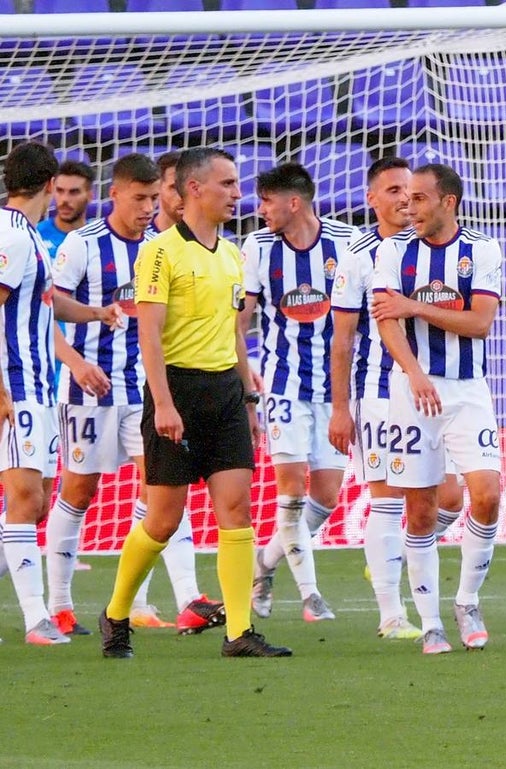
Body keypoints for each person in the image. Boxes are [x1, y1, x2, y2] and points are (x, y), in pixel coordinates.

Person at [98, 147, 291, 659]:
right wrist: (162, 404)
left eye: (236, 183)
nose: (237, 192)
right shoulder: (160, 252)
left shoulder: (232, 256)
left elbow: (234, 335)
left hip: (225, 394)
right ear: (194, 191)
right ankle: (116, 614)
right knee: (162, 519)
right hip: (177, 393)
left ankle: (238, 633)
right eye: (227, 183)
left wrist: (248, 399)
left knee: (237, 510)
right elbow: (150, 335)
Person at [47, 152, 225, 637]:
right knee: (79, 491)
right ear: (115, 194)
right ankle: (60, 604)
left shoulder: (161, 247)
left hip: (147, 392)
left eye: (153, 198)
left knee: (166, 484)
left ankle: (188, 597)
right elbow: (49, 316)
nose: (148, 207)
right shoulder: (82, 245)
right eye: (140, 197)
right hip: (90, 391)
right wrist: (77, 362)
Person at [329, 156, 463, 640]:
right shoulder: (359, 256)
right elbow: (342, 339)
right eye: (392, 191)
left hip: (433, 391)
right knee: (387, 497)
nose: (404, 199)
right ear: (372, 199)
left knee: (449, 497)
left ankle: (395, 557)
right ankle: (391, 612)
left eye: (409, 191)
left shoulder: (429, 251)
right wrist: (340, 407)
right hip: (379, 393)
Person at [371, 163, 503, 655]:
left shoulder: (482, 249)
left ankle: (467, 600)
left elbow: (481, 323)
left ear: (448, 202)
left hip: (468, 390)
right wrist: (415, 372)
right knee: (421, 508)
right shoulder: (392, 250)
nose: (409, 207)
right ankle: (431, 623)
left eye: (420, 199)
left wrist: (417, 307)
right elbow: (387, 321)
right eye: (405, 199)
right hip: (411, 390)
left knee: (486, 494)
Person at [1, 141, 122, 645]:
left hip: (37, 385)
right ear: (50, 185)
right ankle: (36, 619)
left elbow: (45, 309)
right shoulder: (10, 234)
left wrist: (96, 313)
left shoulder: (30, 236)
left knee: (37, 501)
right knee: (25, 499)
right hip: (16, 385)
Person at [239, 162, 357, 623]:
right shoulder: (258, 246)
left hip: (335, 388)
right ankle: (311, 596)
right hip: (283, 384)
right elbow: (242, 320)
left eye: (267, 201)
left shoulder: (346, 242)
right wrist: (246, 386)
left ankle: (264, 564)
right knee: (291, 491)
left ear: (294, 202)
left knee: (325, 496)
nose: (260, 209)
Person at [37, 159, 96, 260]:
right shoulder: (37, 234)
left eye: (74, 192)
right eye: (60, 191)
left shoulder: (97, 238)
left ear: (90, 196)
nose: (65, 199)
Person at [151, 150, 184, 234]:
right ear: (158, 189)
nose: (183, 196)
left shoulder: (210, 242)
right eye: (175, 187)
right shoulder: (141, 242)